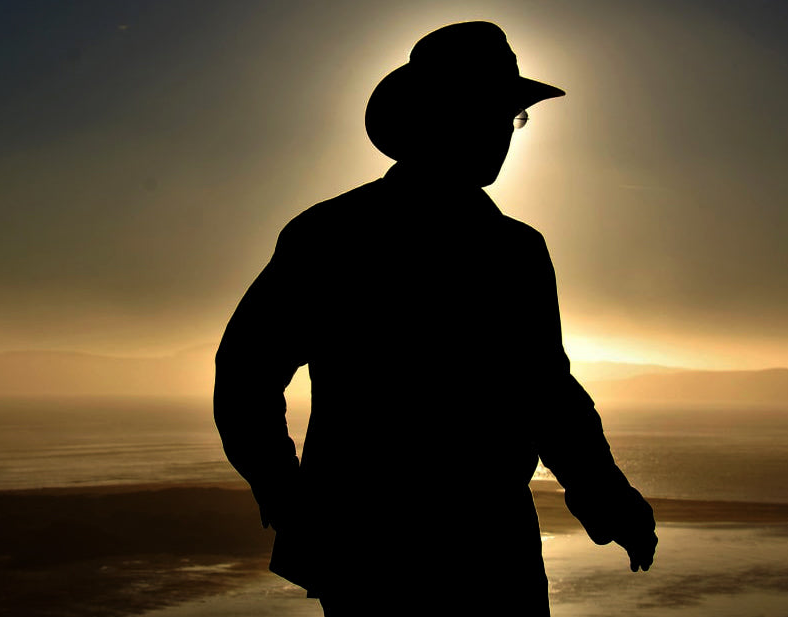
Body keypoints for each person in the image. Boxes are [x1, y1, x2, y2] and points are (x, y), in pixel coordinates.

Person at [214, 21, 657, 616]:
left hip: (461, 548)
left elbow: (547, 396)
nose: (506, 131)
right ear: (441, 116)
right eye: (494, 111)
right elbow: (246, 374)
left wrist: (609, 503)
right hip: (412, 551)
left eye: (513, 116)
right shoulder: (347, 239)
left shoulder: (502, 249)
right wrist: (287, 498)